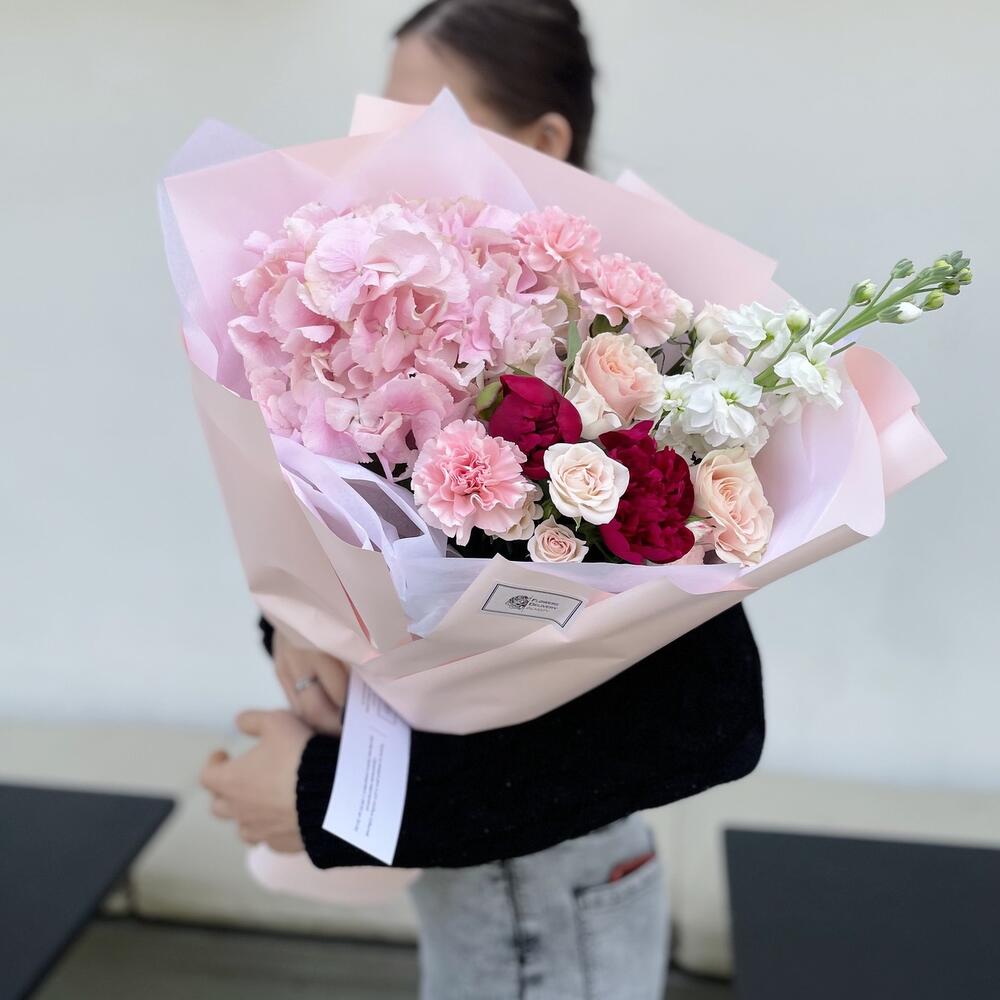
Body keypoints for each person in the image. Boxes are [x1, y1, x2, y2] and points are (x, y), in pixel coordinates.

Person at [200, 3, 765, 998]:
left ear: (544, 142)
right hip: (483, 894)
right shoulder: (413, 346)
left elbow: (708, 720)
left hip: (553, 908)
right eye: (372, 121)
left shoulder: (619, 384)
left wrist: (332, 801)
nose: (375, 157)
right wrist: (297, 627)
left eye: (416, 125)